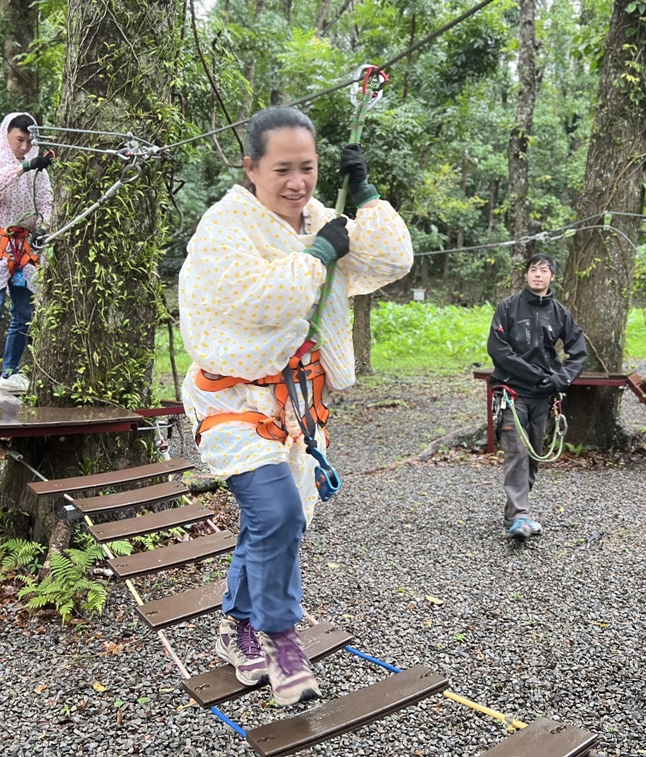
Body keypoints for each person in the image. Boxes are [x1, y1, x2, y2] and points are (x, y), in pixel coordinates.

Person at [179, 107, 412, 706]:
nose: (297, 182)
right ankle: (281, 638)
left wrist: (366, 196)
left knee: (275, 523)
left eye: (307, 168)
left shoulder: (320, 220)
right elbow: (260, 302)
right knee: (278, 513)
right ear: (251, 168)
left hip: (297, 405)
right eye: (282, 169)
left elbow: (390, 261)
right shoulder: (224, 228)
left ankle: (235, 628)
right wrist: (318, 256)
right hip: (231, 398)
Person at [487, 254, 587, 540]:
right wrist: (534, 375)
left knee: (533, 455)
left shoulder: (559, 313)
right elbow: (498, 349)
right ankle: (520, 516)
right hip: (513, 391)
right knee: (517, 451)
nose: (538, 275)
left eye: (544, 271)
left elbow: (577, 351)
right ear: (526, 275)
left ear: (552, 277)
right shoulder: (508, 307)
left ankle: (515, 513)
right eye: (533, 270)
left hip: (544, 396)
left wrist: (560, 378)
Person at [0, 112, 53, 399]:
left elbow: (46, 203)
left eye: (29, 142)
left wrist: (44, 227)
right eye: (19, 140)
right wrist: (23, 167)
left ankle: (10, 373)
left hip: (23, 246)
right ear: (7, 134)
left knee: (25, 312)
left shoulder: (39, 170)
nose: (25, 147)